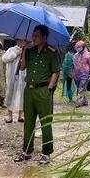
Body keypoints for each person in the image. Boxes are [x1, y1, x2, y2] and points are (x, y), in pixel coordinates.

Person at [14, 25, 60, 165]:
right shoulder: (30, 51)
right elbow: (22, 67)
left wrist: (50, 88)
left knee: (45, 122)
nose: (33, 38)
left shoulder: (51, 52)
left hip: (43, 90)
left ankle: (46, 153)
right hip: (29, 89)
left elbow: (56, 71)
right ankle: (27, 151)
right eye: (33, 35)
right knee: (28, 122)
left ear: (44, 37)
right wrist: (23, 50)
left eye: (37, 36)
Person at [3, 39, 28, 123]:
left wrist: (24, 53)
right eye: (19, 41)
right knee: (10, 92)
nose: (21, 42)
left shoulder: (27, 51)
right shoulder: (11, 49)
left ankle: (21, 115)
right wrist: (15, 54)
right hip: (12, 75)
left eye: (23, 41)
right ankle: (9, 114)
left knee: (23, 94)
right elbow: (4, 59)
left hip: (23, 75)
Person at [72, 40, 90, 107]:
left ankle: (79, 102)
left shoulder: (88, 55)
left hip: (85, 74)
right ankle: (85, 101)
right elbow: (74, 64)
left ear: (83, 47)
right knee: (83, 88)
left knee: (81, 88)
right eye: (77, 47)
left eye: (79, 47)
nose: (78, 48)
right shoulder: (76, 55)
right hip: (77, 74)